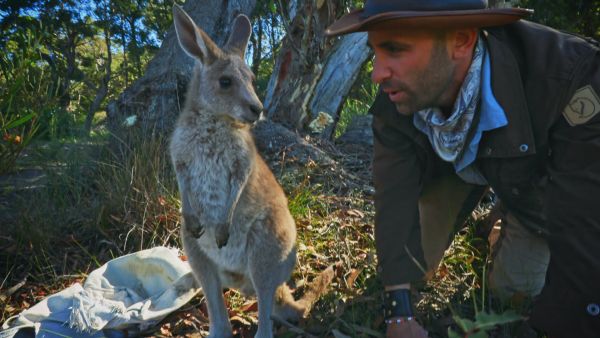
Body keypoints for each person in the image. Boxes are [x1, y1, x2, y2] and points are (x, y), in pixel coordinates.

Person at [325, 1, 600, 337]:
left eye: (395, 49)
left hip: (541, 192)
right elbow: (394, 199)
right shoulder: (397, 99)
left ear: (461, 40)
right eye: (376, 52)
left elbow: (584, 226)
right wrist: (399, 313)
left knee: (512, 291)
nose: (377, 73)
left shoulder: (571, 79)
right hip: (460, 169)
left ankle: (502, 222)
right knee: (412, 267)